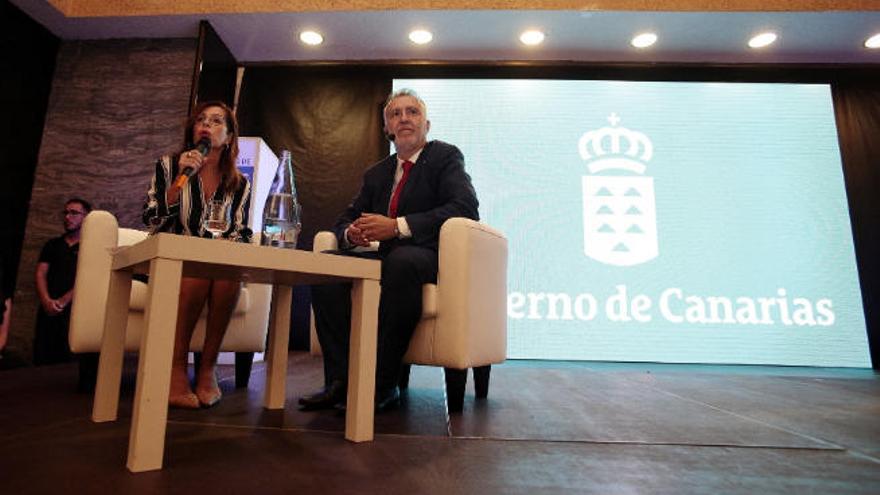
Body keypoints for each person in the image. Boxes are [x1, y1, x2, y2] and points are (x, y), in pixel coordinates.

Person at [301, 89, 479, 412]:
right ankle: (340, 381)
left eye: (412, 112)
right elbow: (345, 218)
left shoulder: (444, 157)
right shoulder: (377, 173)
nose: (404, 118)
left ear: (426, 124)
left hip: (427, 255)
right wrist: (350, 234)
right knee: (327, 265)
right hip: (385, 257)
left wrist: (397, 226)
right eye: (395, 114)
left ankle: (383, 385)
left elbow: (465, 207)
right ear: (387, 128)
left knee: (400, 262)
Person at [143, 100, 251, 408]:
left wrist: (227, 248)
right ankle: (176, 368)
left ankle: (208, 368)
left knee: (227, 276)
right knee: (197, 271)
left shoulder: (239, 183)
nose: (207, 124)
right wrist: (180, 180)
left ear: (228, 137)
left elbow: (241, 232)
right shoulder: (169, 165)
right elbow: (151, 218)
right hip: (170, 260)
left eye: (217, 121)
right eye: (201, 120)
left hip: (214, 263)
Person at [33, 198, 91, 366]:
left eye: (74, 213)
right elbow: (40, 273)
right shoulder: (52, 245)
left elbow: (88, 277)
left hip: (74, 312)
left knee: (67, 365)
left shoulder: (90, 247)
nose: (67, 217)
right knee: (42, 359)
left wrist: (64, 301)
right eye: (65, 212)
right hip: (48, 310)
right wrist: (46, 301)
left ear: (86, 218)